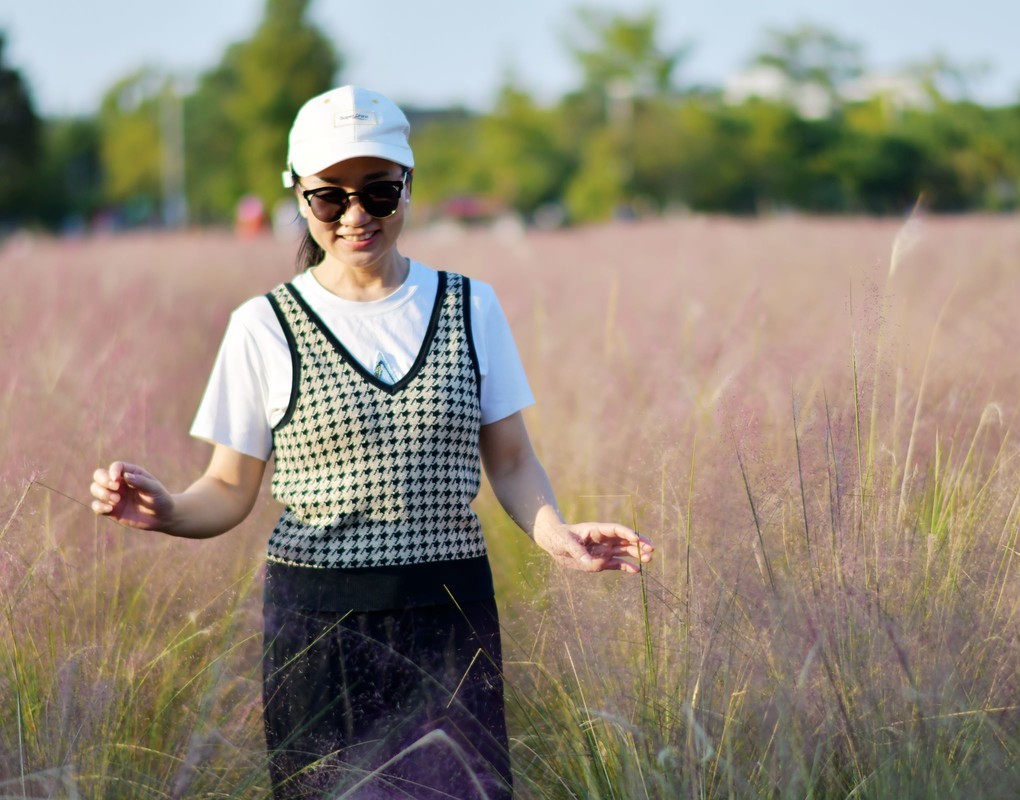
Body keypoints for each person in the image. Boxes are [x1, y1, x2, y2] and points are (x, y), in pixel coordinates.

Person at [88, 85, 653, 799]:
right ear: (298, 197)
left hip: (450, 619)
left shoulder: (471, 305)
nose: (357, 216)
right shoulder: (263, 327)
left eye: (379, 193)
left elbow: (509, 459)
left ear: (408, 188)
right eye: (331, 198)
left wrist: (554, 535)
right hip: (318, 630)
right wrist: (167, 509)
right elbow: (229, 487)